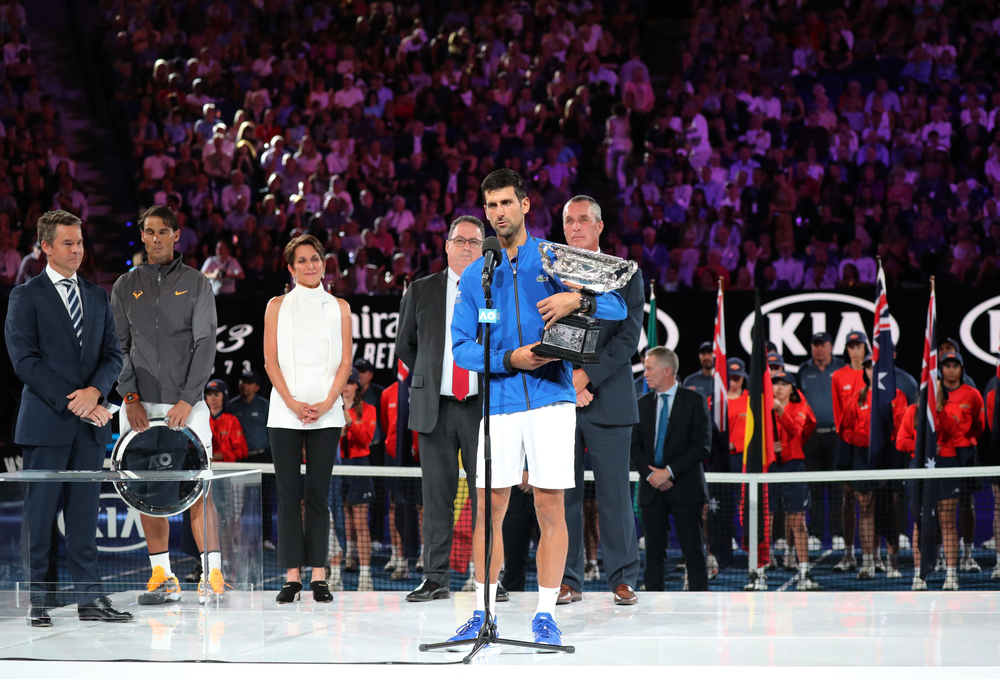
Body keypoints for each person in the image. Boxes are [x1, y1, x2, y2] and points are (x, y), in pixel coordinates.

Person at [447, 169, 627, 650]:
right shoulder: (475, 273)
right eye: (490, 206)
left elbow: (618, 309)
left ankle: (546, 614)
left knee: (551, 508)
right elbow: (462, 347)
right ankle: (482, 610)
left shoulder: (553, 257)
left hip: (551, 400)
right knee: (490, 510)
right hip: (500, 402)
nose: (498, 213)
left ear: (525, 205)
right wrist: (509, 358)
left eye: (506, 203)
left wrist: (578, 297)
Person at [4, 210, 130, 627]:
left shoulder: (97, 295)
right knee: (39, 517)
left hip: (90, 425)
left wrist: (95, 392)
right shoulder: (26, 296)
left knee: (83, 517)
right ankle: (38, 599)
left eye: (79, 242)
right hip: (46, 423)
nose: (77, 250)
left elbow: (114, 354)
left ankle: (89, 599)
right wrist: (71, 401)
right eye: (67, 243)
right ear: (45, 247)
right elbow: (25, 361)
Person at [111, 205, 226, 606]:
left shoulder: (196, 284)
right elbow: (118, 348)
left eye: (162, 231)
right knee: (148, 493)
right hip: (139, 408)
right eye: (148, 231)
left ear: (177, 235)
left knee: (199, 491)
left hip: (187, 407)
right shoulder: (125, 285)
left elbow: (205, 344)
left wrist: (187, 398)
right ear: (141, 236)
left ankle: (212, 574)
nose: (155, 238)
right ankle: (163, 576)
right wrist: (130, 397)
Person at [395, 215, 486, 603]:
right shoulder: (421, 290)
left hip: (483, 410)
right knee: (436, 500)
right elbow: (405, 345)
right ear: (446, 246)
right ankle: (435, 579)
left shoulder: (495, 288)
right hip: (435, 409)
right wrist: (435, 375)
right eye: (460, 240)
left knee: (488, 497)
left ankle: (489, 580)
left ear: (484, 250)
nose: (466, 248)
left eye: (474, 242)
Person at [559, 195, 643, 606]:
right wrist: (567, 380)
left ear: (598, 227)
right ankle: (567, 579)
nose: (575, 227)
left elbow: (628, 338)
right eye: (569, 221)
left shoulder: (625, 273)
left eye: (583, 220)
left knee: (614, 496)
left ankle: (623, 578)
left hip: (608, 397)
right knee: (563, 494)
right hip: (557, 398)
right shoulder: (548, 271)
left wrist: (585, 376)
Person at [264, 234, 352, 604]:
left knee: (318, 495)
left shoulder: (340, 307)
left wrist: (329, 400)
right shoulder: (276, 305)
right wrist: (292, 402)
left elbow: (345, 360)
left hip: (328, 413)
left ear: (324, 263)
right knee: (288, 496)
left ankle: (319, 576)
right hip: (284, 413)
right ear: (290, 267)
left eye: (315, 258)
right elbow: (271, 360)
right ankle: (291, 577)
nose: (310, 265)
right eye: (301, 260)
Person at [631, 347, 712, 592]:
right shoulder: (641, 404)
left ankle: (701, 601)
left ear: (667, 371)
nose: (645, 373)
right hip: (652, 489)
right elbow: (633, 447)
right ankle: (653, 606)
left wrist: (669, 472)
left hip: (686, 489)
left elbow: (703, 447)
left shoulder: (695, 401)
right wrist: (651, 475)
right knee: (653, 554)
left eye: (649, 368)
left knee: (693, 552)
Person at [838, 355, 907, 580]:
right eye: (868, 367)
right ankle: (868, 561)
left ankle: (892, 563)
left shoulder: (897, 397)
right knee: (865, 508)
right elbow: (845, 429)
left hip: (890, 458)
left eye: (875, 367)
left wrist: (883, 440)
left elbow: (901, 427)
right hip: (863, 458)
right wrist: (863, 439)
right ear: (864, 371)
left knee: (890, 508)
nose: (871, 371)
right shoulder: (856, 398)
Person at [769, 370, 821, 590]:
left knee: (797, 521)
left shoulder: (799, 407)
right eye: (775, 383)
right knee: (766, 517)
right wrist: (768, 447)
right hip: (769, 467)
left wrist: (780, 411)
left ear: (792, 389)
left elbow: (797, 430)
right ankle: (763, 565)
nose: (779, 388)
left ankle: (804, 571)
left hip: (793, 467)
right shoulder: (763, 407)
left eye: (784, 384)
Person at [797, 332, 847, 552]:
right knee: (814, 488)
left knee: (837, 488)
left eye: (822, 345)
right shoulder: (803, 371)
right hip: (811, 437)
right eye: (815, 345)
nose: (819, 349)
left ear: (831, 346)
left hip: (836, 435)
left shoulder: (842, 369)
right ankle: (815, 533)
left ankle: (838, 533)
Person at [937, 351, 985, 582]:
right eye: (947, 365)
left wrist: (965, 443)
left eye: (955, 365)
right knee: (941, 508)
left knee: (967, 504)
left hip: (966, 454)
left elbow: (979, 425)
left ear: (961, 368)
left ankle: (967, 554)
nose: (951, 369)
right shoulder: (935, 394)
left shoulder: (973, 394)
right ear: (941, 369)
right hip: (942, 456)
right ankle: (939, 555)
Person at [831, 330, 869, 572]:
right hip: (847, 444)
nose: (855, 350)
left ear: (866, 348)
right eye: (851, 346)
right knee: (848, 499)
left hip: (869, 446)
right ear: (847, 350)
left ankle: (874, 555)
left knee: (871, 502)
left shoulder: (875, 372)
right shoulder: (838, 376)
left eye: (859, 346)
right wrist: (845, 439)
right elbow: (838, 413)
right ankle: (848, 553)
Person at [339, 368, 377, 590]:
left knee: (360, 522)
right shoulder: (332, 410)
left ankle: (365, 574)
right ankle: (347, 559)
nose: (346, 386)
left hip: (359, 466)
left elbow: (366, 439)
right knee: (344, 519)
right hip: (338, 466)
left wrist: (349, 423)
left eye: (350, 382)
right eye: (343, 381)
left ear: (356, 386)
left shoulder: (369, 410)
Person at [227, 371, 275, 550]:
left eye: (248, 382)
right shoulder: (231, 406)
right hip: (240, 458)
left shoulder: (265, 406)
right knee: (236, 501)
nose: (244, 385)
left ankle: (265, 539)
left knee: (264, 500)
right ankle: (235, 539)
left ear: (256, 387)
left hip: (263, 457)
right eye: (242, 381)